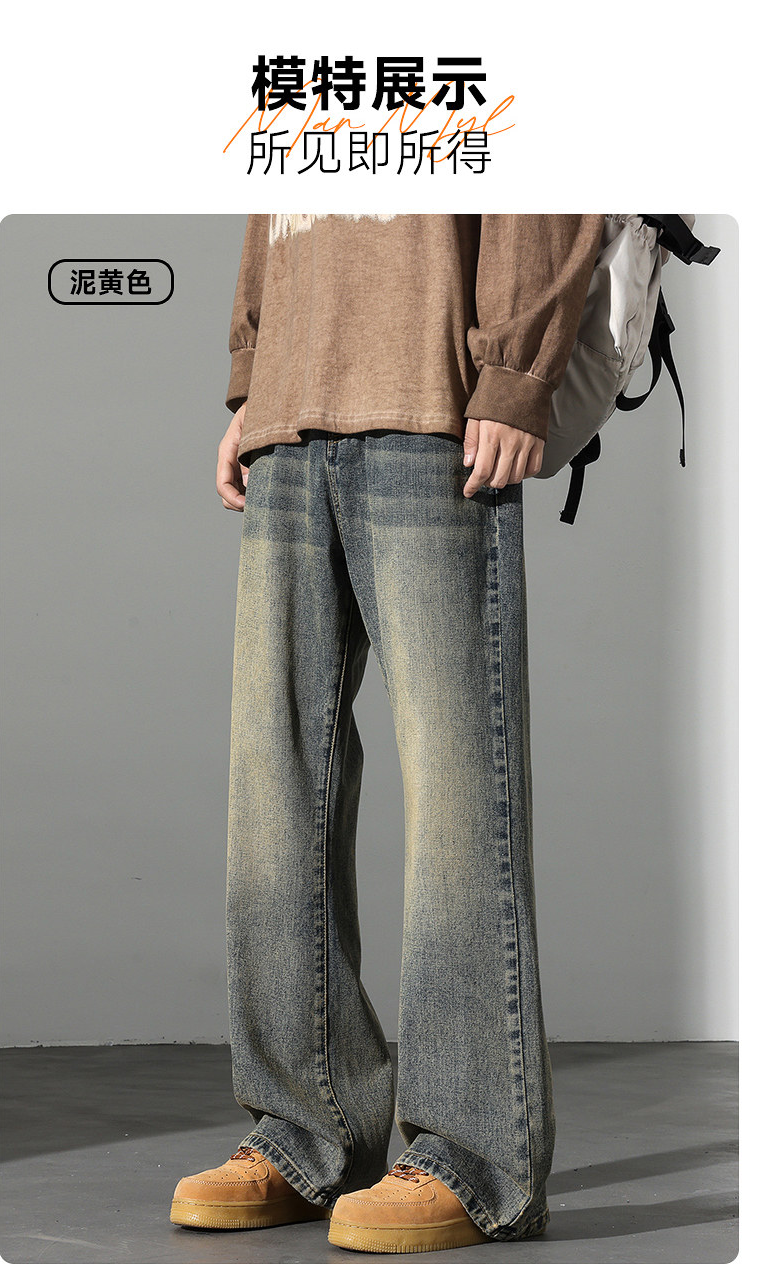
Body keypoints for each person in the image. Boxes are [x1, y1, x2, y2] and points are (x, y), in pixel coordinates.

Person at [170, 212, 605, 1253]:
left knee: (459, 792)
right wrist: (253, 376)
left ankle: (473, 1153)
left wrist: (515, 371)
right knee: (274, 788)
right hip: (291, 410)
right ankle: (303, 1129)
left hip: (434, 399)